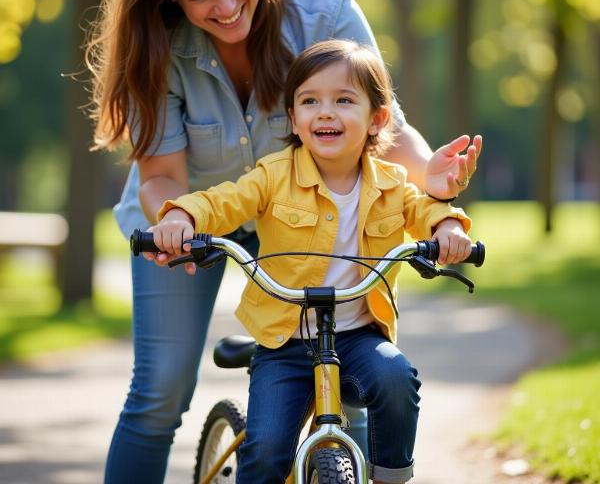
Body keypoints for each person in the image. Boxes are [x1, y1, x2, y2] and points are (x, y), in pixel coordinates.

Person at [87, 0, 482, 482]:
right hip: (194, 215)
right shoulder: (157, 43)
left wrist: (435, 178)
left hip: (302, 210)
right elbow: (163, 175)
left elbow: (384, 129)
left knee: (357, 382)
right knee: (160, 392)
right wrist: (172, 226)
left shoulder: (321, 10)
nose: (224, 6)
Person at [149, 40, 473, 483]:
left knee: (396, 378)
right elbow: (223, 201)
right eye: (309, 101)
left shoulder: (393, 183)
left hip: (358, 337)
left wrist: (448, 230)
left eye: (343, 100)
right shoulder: (273, 175)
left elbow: (426, 210)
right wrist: (184, 216)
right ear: (294, 119)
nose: (325, 112)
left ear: (377, 118)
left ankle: (389, 477)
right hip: (285, 343)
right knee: (266, 452)